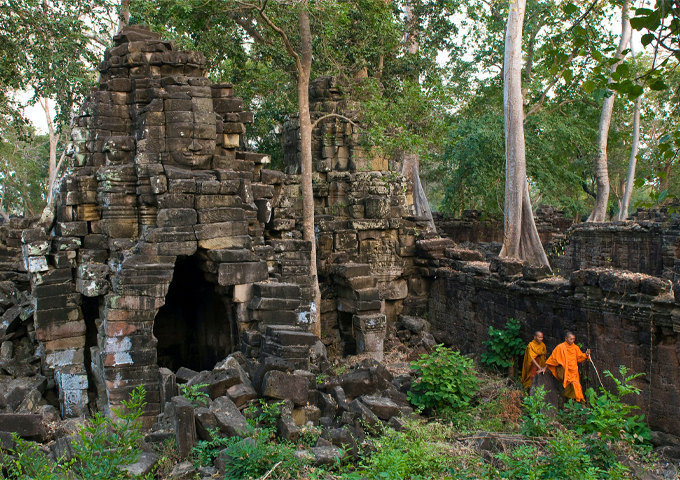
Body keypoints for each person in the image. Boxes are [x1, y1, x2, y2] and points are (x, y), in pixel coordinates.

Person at [545, 331, 591, 402]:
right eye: (571, 339)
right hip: (566, 372)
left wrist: (586, 355)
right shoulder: (560, 347)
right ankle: (570, 404)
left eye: (574, 339)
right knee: (568, 387)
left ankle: (581, 404)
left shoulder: (575, 348)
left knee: (576, 387)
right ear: (566, 338)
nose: (573, 341)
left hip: (574, 372)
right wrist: (544, 368)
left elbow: (579, 358)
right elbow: (552, 358)